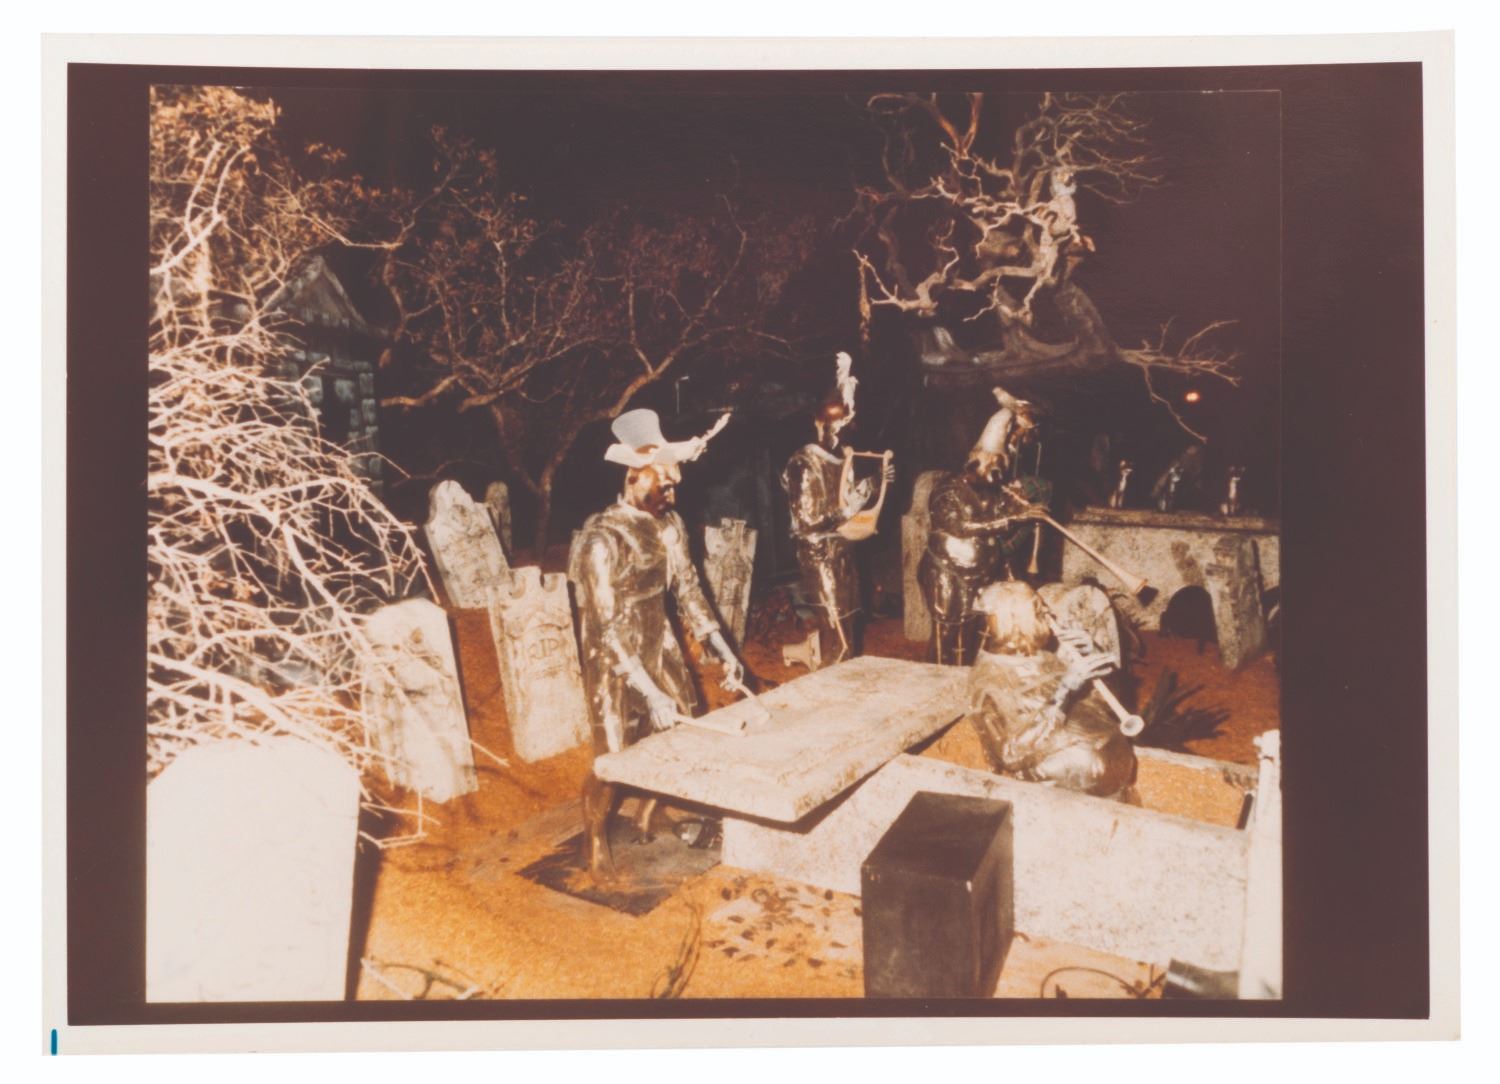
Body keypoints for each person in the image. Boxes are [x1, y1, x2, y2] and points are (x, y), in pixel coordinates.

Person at [568, 408, 744, 882]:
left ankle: (651, 809)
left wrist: (723, 650)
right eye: (664, 484)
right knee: (614, 756)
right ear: (634, 477)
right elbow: (606, 624)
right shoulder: (602, 540)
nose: (672, 493)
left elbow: (688, 590)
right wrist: (647, 690)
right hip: (613, 653)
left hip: (657, 638)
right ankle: (594, 836)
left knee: (681, 729)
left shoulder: (669, 526)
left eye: (673, 484)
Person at [967, 580, 1137, 799]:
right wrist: (1063, 691)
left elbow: (1103, 708)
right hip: (1059, 796)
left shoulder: (1046, 659)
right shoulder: (987, 680)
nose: (1048, 615)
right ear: (1013, 621)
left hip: (1107, 786)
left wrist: (1092, 655)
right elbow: (1011, 754)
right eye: (1039, 612)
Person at [919, 386, 1048, 665]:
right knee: (947, 635)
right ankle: (935, 683)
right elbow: (961, 526)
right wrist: (1013, 518)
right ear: (978, 463)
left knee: (975, 636)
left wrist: (1022, 509)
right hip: (948, 574)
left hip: (981, 576)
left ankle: (965, 683)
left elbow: (1002, 517)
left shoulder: (991, 492)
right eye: (995, 467)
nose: (999, 474)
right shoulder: (948, 490)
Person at [780, 352, 894, 665]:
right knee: (838, 639)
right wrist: (858, 499)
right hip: (820, 557)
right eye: (836, 425)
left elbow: (849, 505)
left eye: (846, 424)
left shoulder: (842, 460)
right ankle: (829, 690)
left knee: (848, 633)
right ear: (820, 423)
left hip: (843, 555)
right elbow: (809, 522)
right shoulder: (804, 463)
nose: (842, 432)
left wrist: (876, 485)